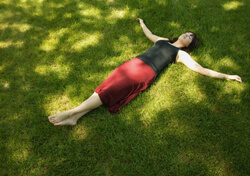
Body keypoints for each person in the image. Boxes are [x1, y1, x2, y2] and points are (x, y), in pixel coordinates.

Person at [48, 18, 242, 126]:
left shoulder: (181, 55)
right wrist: (142, 23)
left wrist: (227, 76)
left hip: (143, 72)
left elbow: (201, 69)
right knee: (106, 87)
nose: (188, 35)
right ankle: (76, 117)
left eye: (191, 37)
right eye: (188, 32)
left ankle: (70, 112)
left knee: (108, 91)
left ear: (189, 45)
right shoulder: (164, 40)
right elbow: (149, 35)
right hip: (132, 64)